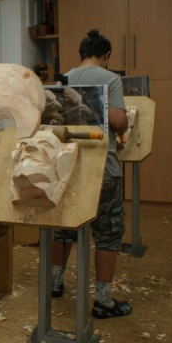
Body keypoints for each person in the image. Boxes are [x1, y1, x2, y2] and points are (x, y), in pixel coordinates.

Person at [50, 29, 131, 319]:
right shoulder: (110, 79)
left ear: (81, 54)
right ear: (106, 56)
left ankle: (55, 282)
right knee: (107, 234)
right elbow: (118, 121)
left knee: (63, 228)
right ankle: (103, 300)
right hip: (102, 168)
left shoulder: (64, 79)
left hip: (67, 167)